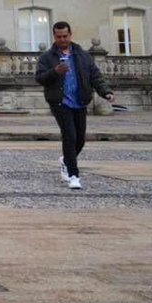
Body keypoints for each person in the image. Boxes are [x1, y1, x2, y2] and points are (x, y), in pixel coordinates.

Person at [34, 21, 114, 190]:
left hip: (80, 101)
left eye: (65, 36)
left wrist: (105, 91)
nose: (62, 39)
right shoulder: (47, 57)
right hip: (60, 101)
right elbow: (40, 78)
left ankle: (65, 160)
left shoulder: (83, 56)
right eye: (58, 37)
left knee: (80, 139)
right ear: (54, 36)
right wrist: (55, 71)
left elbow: (95, 76)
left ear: (70, 35)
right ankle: (73, 175)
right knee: (69, 136)